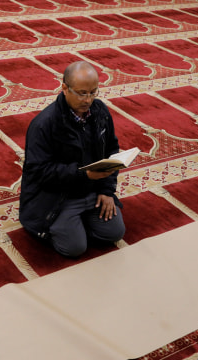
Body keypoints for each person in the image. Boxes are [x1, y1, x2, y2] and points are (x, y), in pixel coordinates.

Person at [19, 61, 125, 257]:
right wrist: (84, 175)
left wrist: (106, 190)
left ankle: (78, 223)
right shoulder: (44, 124)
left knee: (115, 233)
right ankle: (68, 224)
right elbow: (38, 171)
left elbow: (111, 150)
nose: (88, 100)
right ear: (64, 88)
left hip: (93, 190)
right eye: (82, 93)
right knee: (74, 248)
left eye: (93, 92)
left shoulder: (100, 111)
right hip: (59, 196)